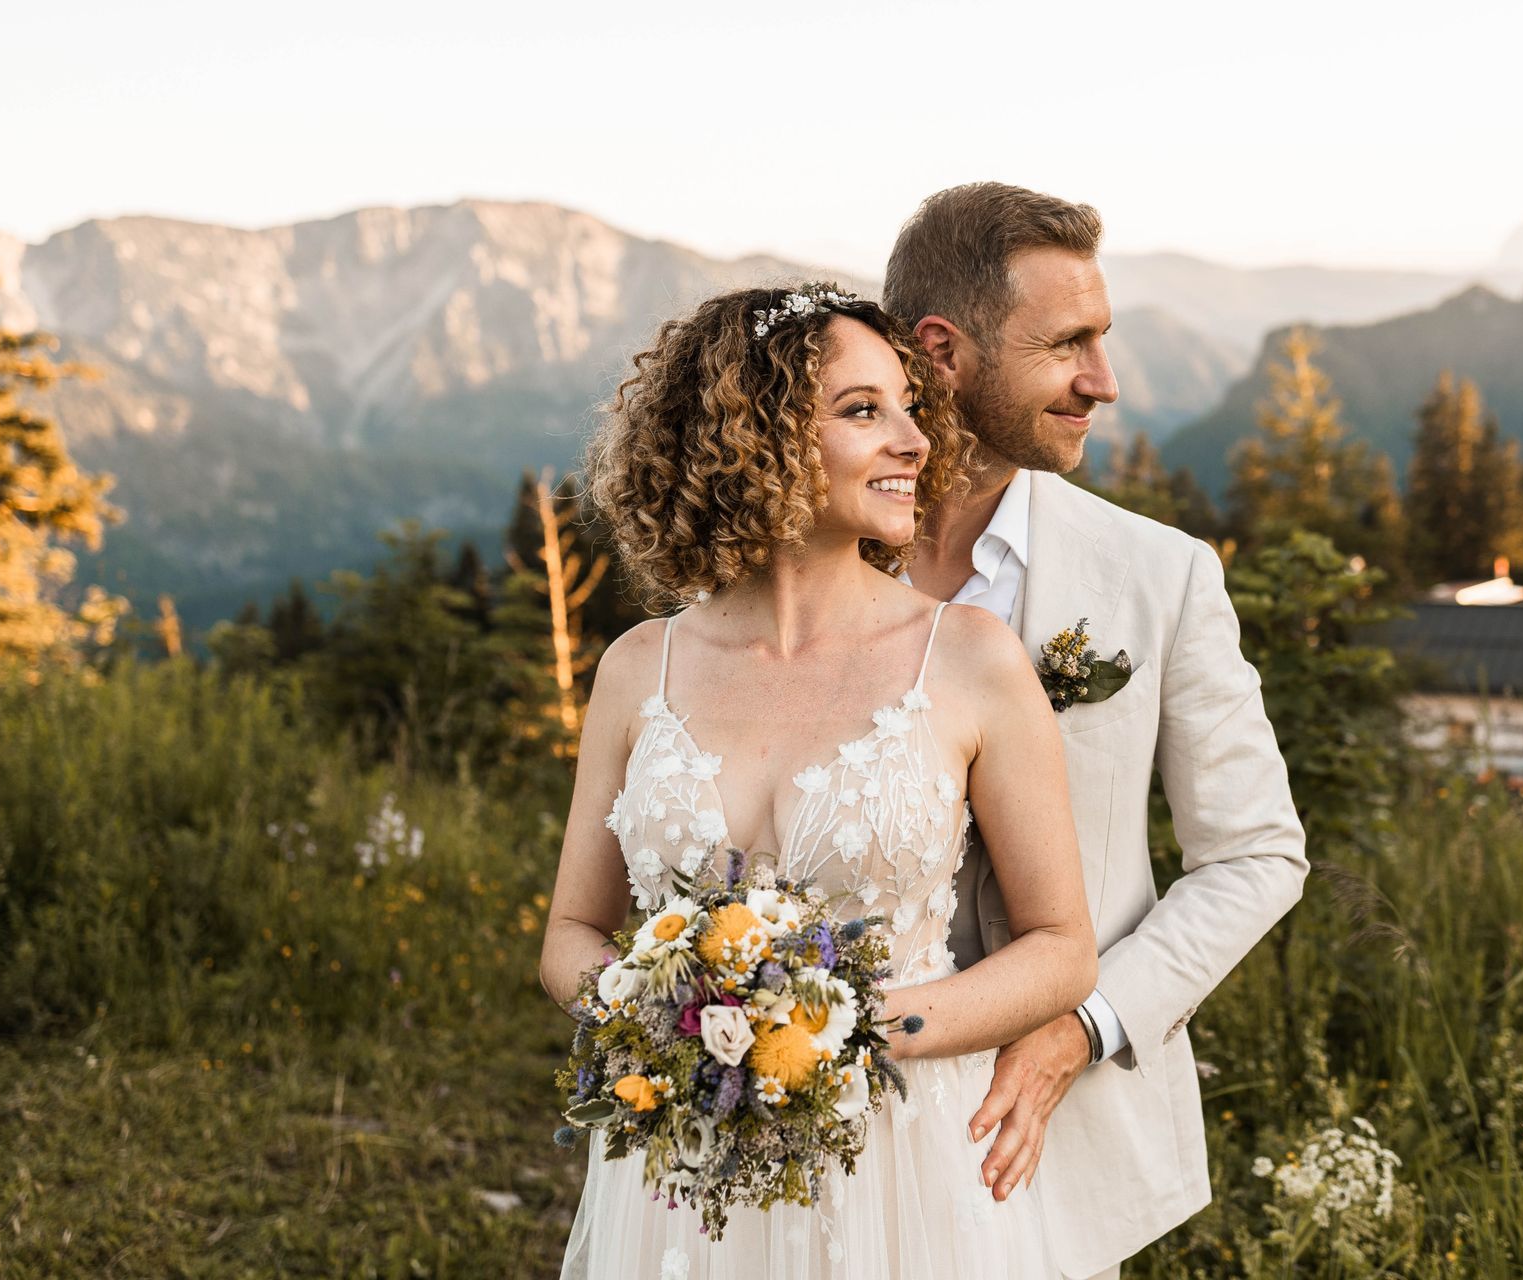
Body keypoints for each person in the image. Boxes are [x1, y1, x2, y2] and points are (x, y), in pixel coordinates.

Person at [541, 285, 1097, 1278]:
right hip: (687, 1165)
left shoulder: (969, 658)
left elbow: (1062, 949)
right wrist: (671, 1027)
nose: (915, 442)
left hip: (902, 1159)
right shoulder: (637, 667)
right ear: (752, 435)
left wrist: (857, 1030)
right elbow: (571, 934)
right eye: (862, 409)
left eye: (909, 408)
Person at [885, 182, 1309, 1280]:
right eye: (1067, 344)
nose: (1103, 381)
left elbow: (1257, 855)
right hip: (845, 1119)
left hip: (1050, 1145)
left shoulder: (1162, 576)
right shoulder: (805, 570)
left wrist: (1082, 1027)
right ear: (942, 352)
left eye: (1102, 339)